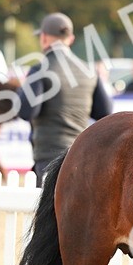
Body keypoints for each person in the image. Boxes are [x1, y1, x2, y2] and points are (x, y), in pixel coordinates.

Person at [16, 12, 98, 185]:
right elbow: (104, 111)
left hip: (49, 158)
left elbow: (27, 111)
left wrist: (21, 91)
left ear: (44, 38)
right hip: (80, 157)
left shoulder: (41, 69)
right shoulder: (89, 70)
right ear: (71, 39)